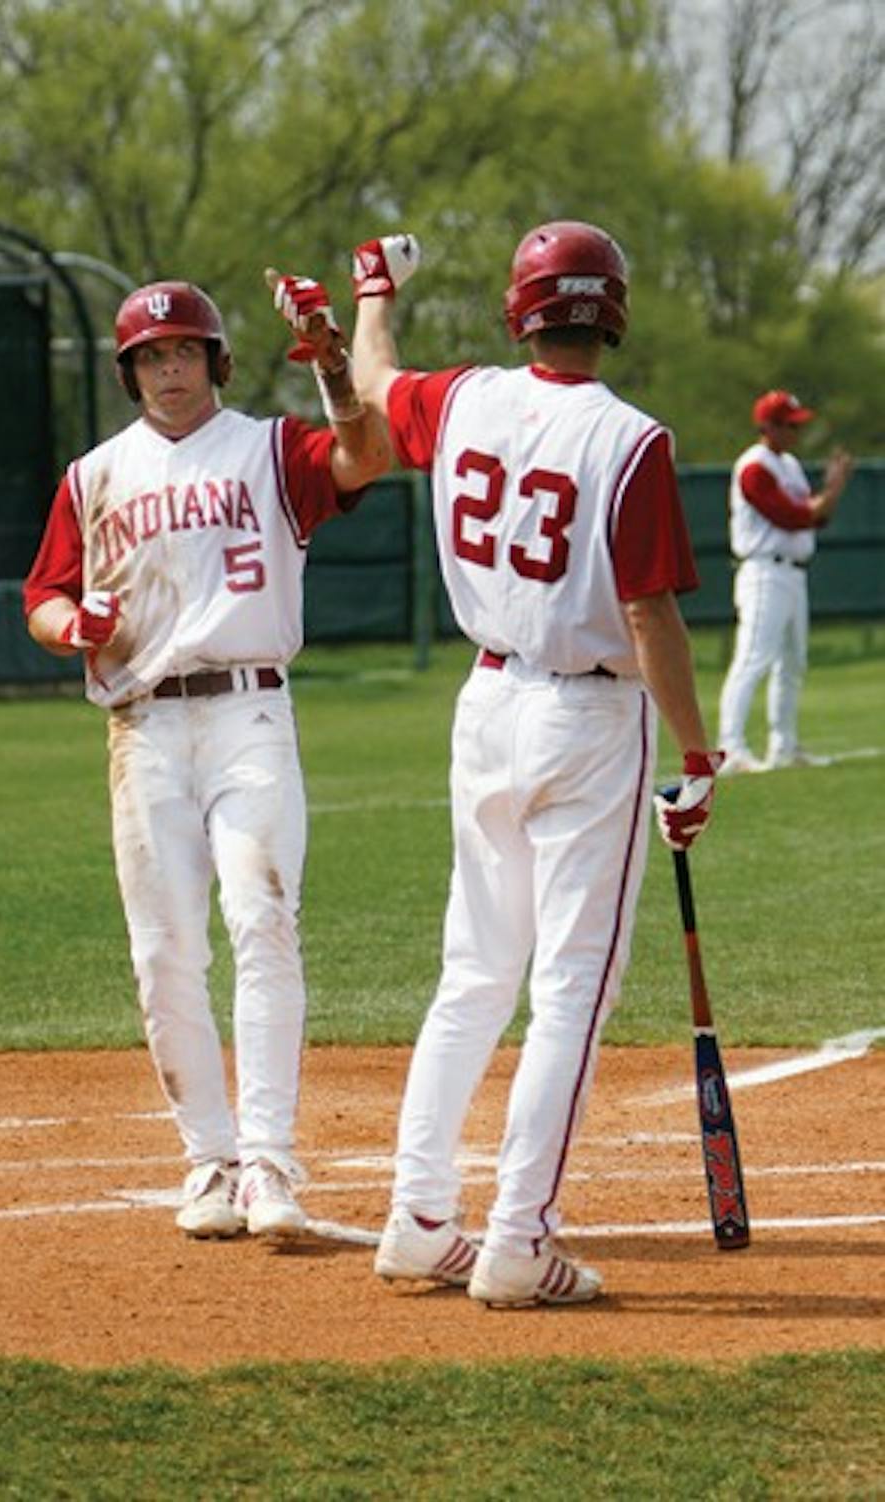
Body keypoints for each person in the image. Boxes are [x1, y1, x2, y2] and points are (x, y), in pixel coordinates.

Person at [349, 223, 722, 1308]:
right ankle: (519, 1239)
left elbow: (372, 383)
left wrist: (376, 287)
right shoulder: (631, 438)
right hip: (588, 720)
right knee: (568, 990)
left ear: (522, 311)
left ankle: (419, 1217)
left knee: (473, 973)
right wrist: (695, 756)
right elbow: (650, 613)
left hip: (487, 704)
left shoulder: (464, 397)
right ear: (613, 312)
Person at [23, 271, 390, 1240]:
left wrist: (337, 368)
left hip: (247, 712)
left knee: (260, 913)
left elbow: (365, 457)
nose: (167, 368)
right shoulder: (95, 473)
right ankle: (210, 1160)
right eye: (149, 354)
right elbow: (44, 598)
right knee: (164, 950)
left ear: (215, 359)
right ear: (128, 369)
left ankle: (269, 1157)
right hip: (142, 727)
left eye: (183, 349)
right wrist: (72, 626)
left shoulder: (270, 446)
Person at [717, 390, 852, 774]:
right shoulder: (754, 466)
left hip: (792, 572)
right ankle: (730, 748)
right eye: (790, 425)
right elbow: (790, 515)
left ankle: (783, 745)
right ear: (768, 426)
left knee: (792, 662)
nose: (796, 432)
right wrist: (832, 491)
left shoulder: (789, 464)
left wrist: (828, 495)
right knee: (753, 659)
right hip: (763, 572)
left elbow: (816, 517)